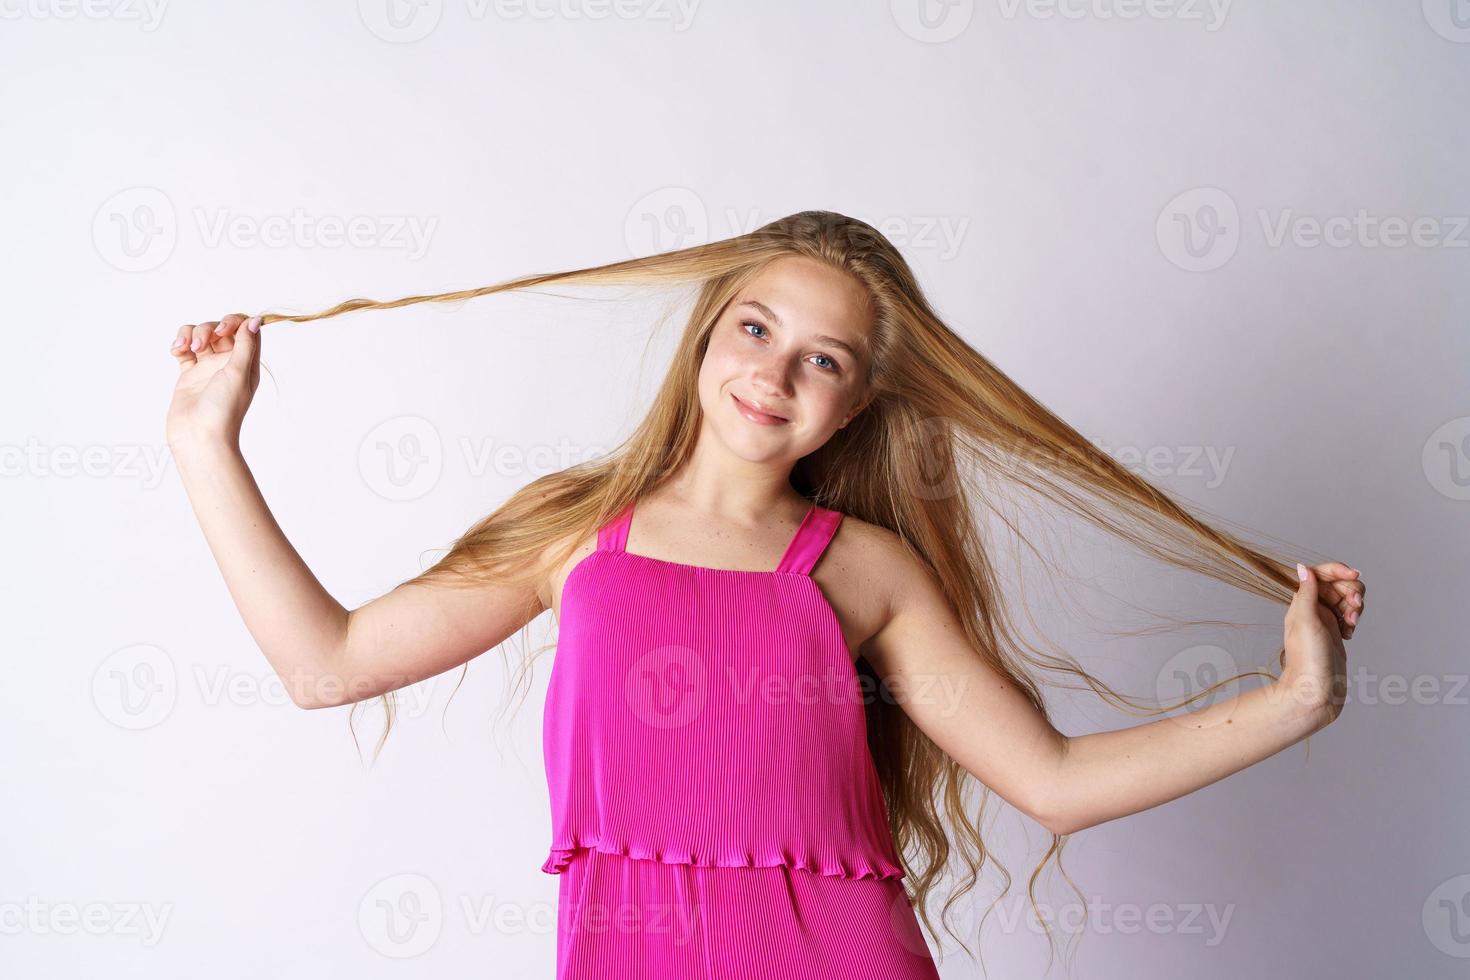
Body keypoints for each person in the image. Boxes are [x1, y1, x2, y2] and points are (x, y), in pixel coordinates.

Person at [165, 211, 1365, 978]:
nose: (774, 370)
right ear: (705, 336)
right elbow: (328, 665)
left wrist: (1293, 699)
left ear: (853, 404)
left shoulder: (865, 568)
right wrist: (205, 445)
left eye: (824, 358)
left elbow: (1051, 783)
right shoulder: (577, 529)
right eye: (755, 325)